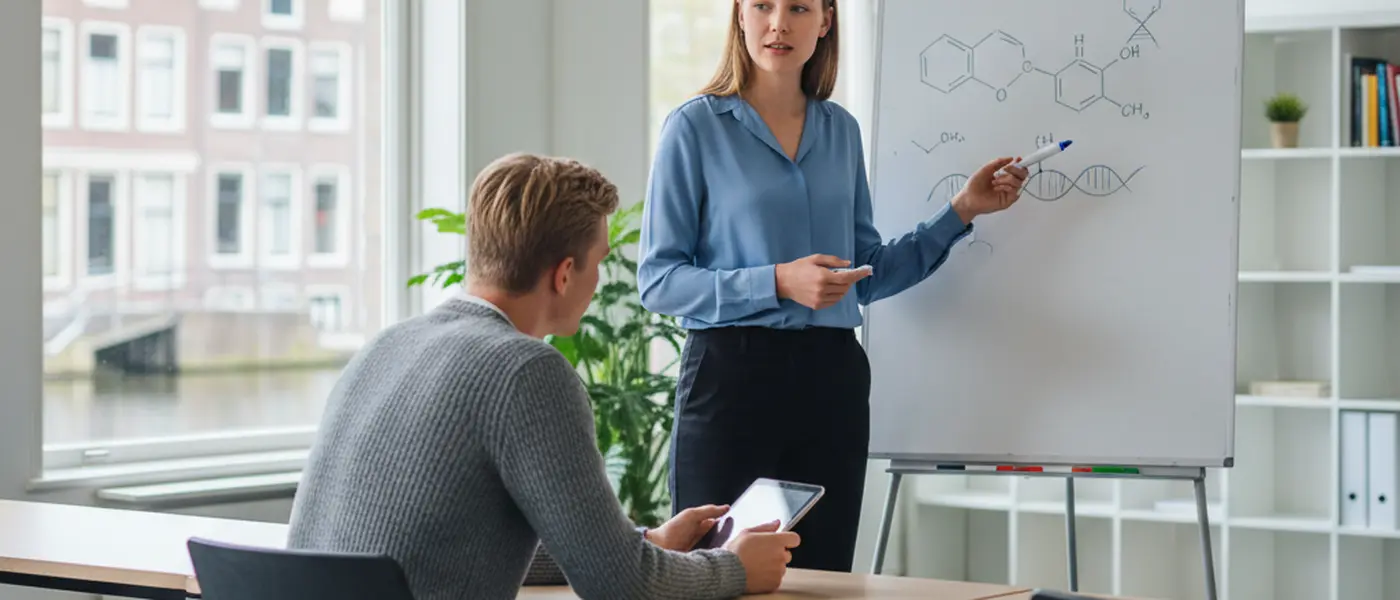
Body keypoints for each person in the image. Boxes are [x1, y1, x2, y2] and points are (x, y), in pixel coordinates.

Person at [287, 153, 801, 600]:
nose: (598, 281)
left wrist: (642, 544)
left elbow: (457, 538)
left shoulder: (385, 345)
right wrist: (735, 567)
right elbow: (621, 587)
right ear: (563, 273)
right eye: (598, 262)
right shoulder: (525, 372)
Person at [636, 0, 1030, 574]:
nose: (779, 24)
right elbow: (660, 281)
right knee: (714, 574)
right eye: (763, 6)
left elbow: (866, 271)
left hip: (832, 381)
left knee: (821, 577)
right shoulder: (694, 128)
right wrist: (777, 282)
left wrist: (963, 210)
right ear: (739, 16)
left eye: (798, 8)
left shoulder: (840, 130)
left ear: (824, 21)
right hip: (732, 379)